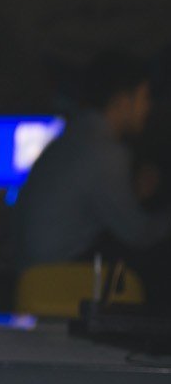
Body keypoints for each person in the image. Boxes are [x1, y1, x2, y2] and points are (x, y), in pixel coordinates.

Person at [14, 51, 168, 271]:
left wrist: (133, 195)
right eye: (145, 97)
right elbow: (138, 233)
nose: (149, 106)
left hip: (30, 273)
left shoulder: (73, 138)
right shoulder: (105, 152)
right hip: (54, 278)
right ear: (123, 102)